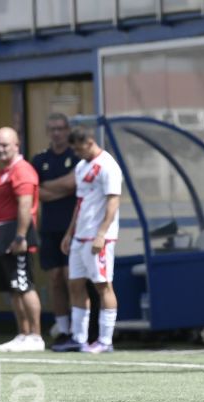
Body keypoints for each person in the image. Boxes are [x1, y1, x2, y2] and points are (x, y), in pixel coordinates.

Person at [53, 125, 122, 353]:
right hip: (80, 237)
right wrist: (70, 232)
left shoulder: (108, 165)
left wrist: (102, 233)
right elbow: (80, 202)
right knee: (75, 284)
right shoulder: (82, 166)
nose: (77, 154)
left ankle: (105, 340)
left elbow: (113, 201)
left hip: (98, 237)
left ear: (90, 142)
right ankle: (79, 338)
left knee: (103, 285)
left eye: (79, 149)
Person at [0, 127, 45, 352]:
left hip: (16, 240)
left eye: (5, 145)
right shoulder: (5, 171)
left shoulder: (22, 170)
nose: (0, 149)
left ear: (16, 145)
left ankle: (36, 335)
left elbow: (25, 205)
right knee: (14, 288)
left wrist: (21, 236)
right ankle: (23, 334)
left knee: (24, 286)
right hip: (3, 240)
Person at [33, 113, 77, 345]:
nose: (57, 133)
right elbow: (35, 191)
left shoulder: (76, 156)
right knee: (55, 278)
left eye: (61, 128)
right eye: (53, 129)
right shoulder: (40, 159)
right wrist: (64, 187)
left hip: (73, 227)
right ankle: (62, 328)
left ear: (67, 130)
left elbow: (75, 184)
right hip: (49, 228)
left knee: (73, 279)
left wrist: (50, 187)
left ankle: (79, 328)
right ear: (48, 132)